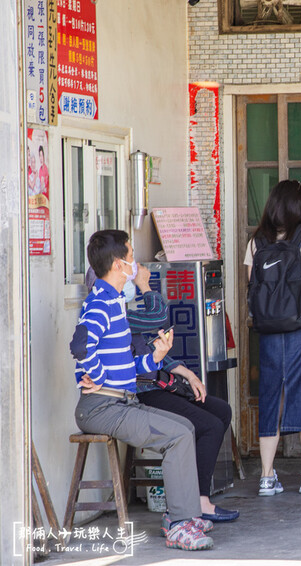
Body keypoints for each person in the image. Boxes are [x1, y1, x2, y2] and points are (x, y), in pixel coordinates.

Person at [71, 230, 213, 551]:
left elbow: (130, 368)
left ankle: (180, 517)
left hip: (123, 403)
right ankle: (179, 525)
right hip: (102, 408)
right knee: (177, 437)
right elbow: (81, 344)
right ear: (120, 265)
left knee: (185, 429)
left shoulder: (116, 303)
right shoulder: (100, 304)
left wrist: (156, 357)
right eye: (132, 256)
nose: (136, 262)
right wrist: (92, 375)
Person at [75, 263, 239, 526]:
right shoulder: (108, 312)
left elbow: (148, 349)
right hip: (139, 394)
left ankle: (191, 501)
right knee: (205, 426)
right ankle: (193, 504)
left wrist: (185, 371)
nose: (130, 274)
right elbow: (158, 317)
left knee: (220, 410)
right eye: (126, 270)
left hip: (154, 384)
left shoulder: (117, 312)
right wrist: (144, 285)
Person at [244, 180, 301, 497]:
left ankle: (267, 477)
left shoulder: (256, 241)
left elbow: (252, 287)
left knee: (271, 395)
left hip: (268, 329)